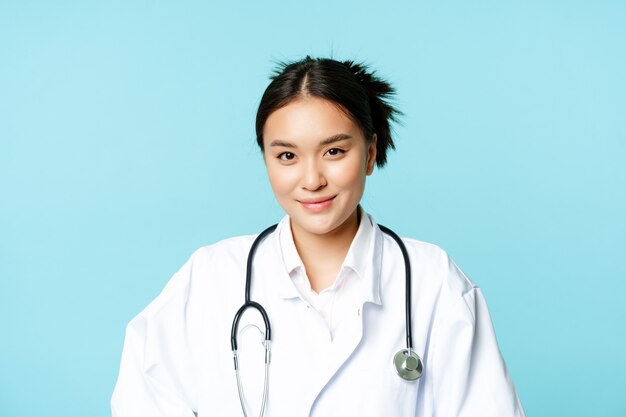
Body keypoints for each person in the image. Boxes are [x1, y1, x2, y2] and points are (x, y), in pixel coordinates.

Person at [111, 56, 525, 417]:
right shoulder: (210, 277)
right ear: (267, 160)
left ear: (370, 153)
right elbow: (144, 399)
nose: (311, 180)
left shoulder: (433, 281)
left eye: (334, 151)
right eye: (287, 156)